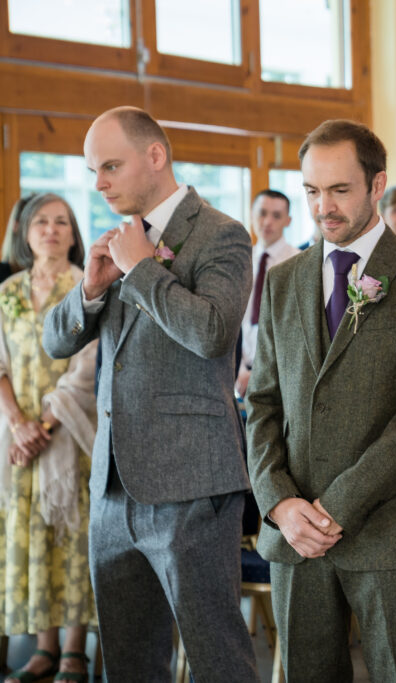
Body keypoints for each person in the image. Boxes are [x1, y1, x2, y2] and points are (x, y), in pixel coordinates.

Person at [42, 106, 258, 681]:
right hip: (113, 487)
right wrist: (89, 290)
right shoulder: (115, 242)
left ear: (155, 156)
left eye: (110, 165)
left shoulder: (223, 234)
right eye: (93, 171)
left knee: (217, 658)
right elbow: (53, 340)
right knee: (129, 662)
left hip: (193, 485)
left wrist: (141, 270)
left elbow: (212, 333)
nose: (100, 183)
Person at [246, 119, 396, 682]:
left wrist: (336, 507)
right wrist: (280, 502)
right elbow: (263, 402)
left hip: (388, 527)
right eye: (312, 191)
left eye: (339, 190)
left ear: (377, 183)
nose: (323, 207)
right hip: (295, 533)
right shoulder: (282, 280)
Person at [0, 194, 96, 683]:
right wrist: (19, 423)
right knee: (32, 534)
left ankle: (75, 653)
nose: (52, 229)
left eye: (62, 222)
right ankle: (43, 649)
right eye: (42, 221)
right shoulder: (8, 290)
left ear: (74, 233)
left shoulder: (85, 285)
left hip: (69, 434)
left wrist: (45, 426)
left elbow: (88, 369)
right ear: (26, 231)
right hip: (16, 439)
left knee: (70, 535)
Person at [236, 189, 299, 398]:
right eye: (262, 213)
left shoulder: (298, 262)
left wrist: (260, 372)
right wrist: (239, 366)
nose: (267, 222)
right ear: (251, 214)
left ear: (288, 220)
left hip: (280, 373)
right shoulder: (241, 259)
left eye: (276, 215)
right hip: (239, 367)